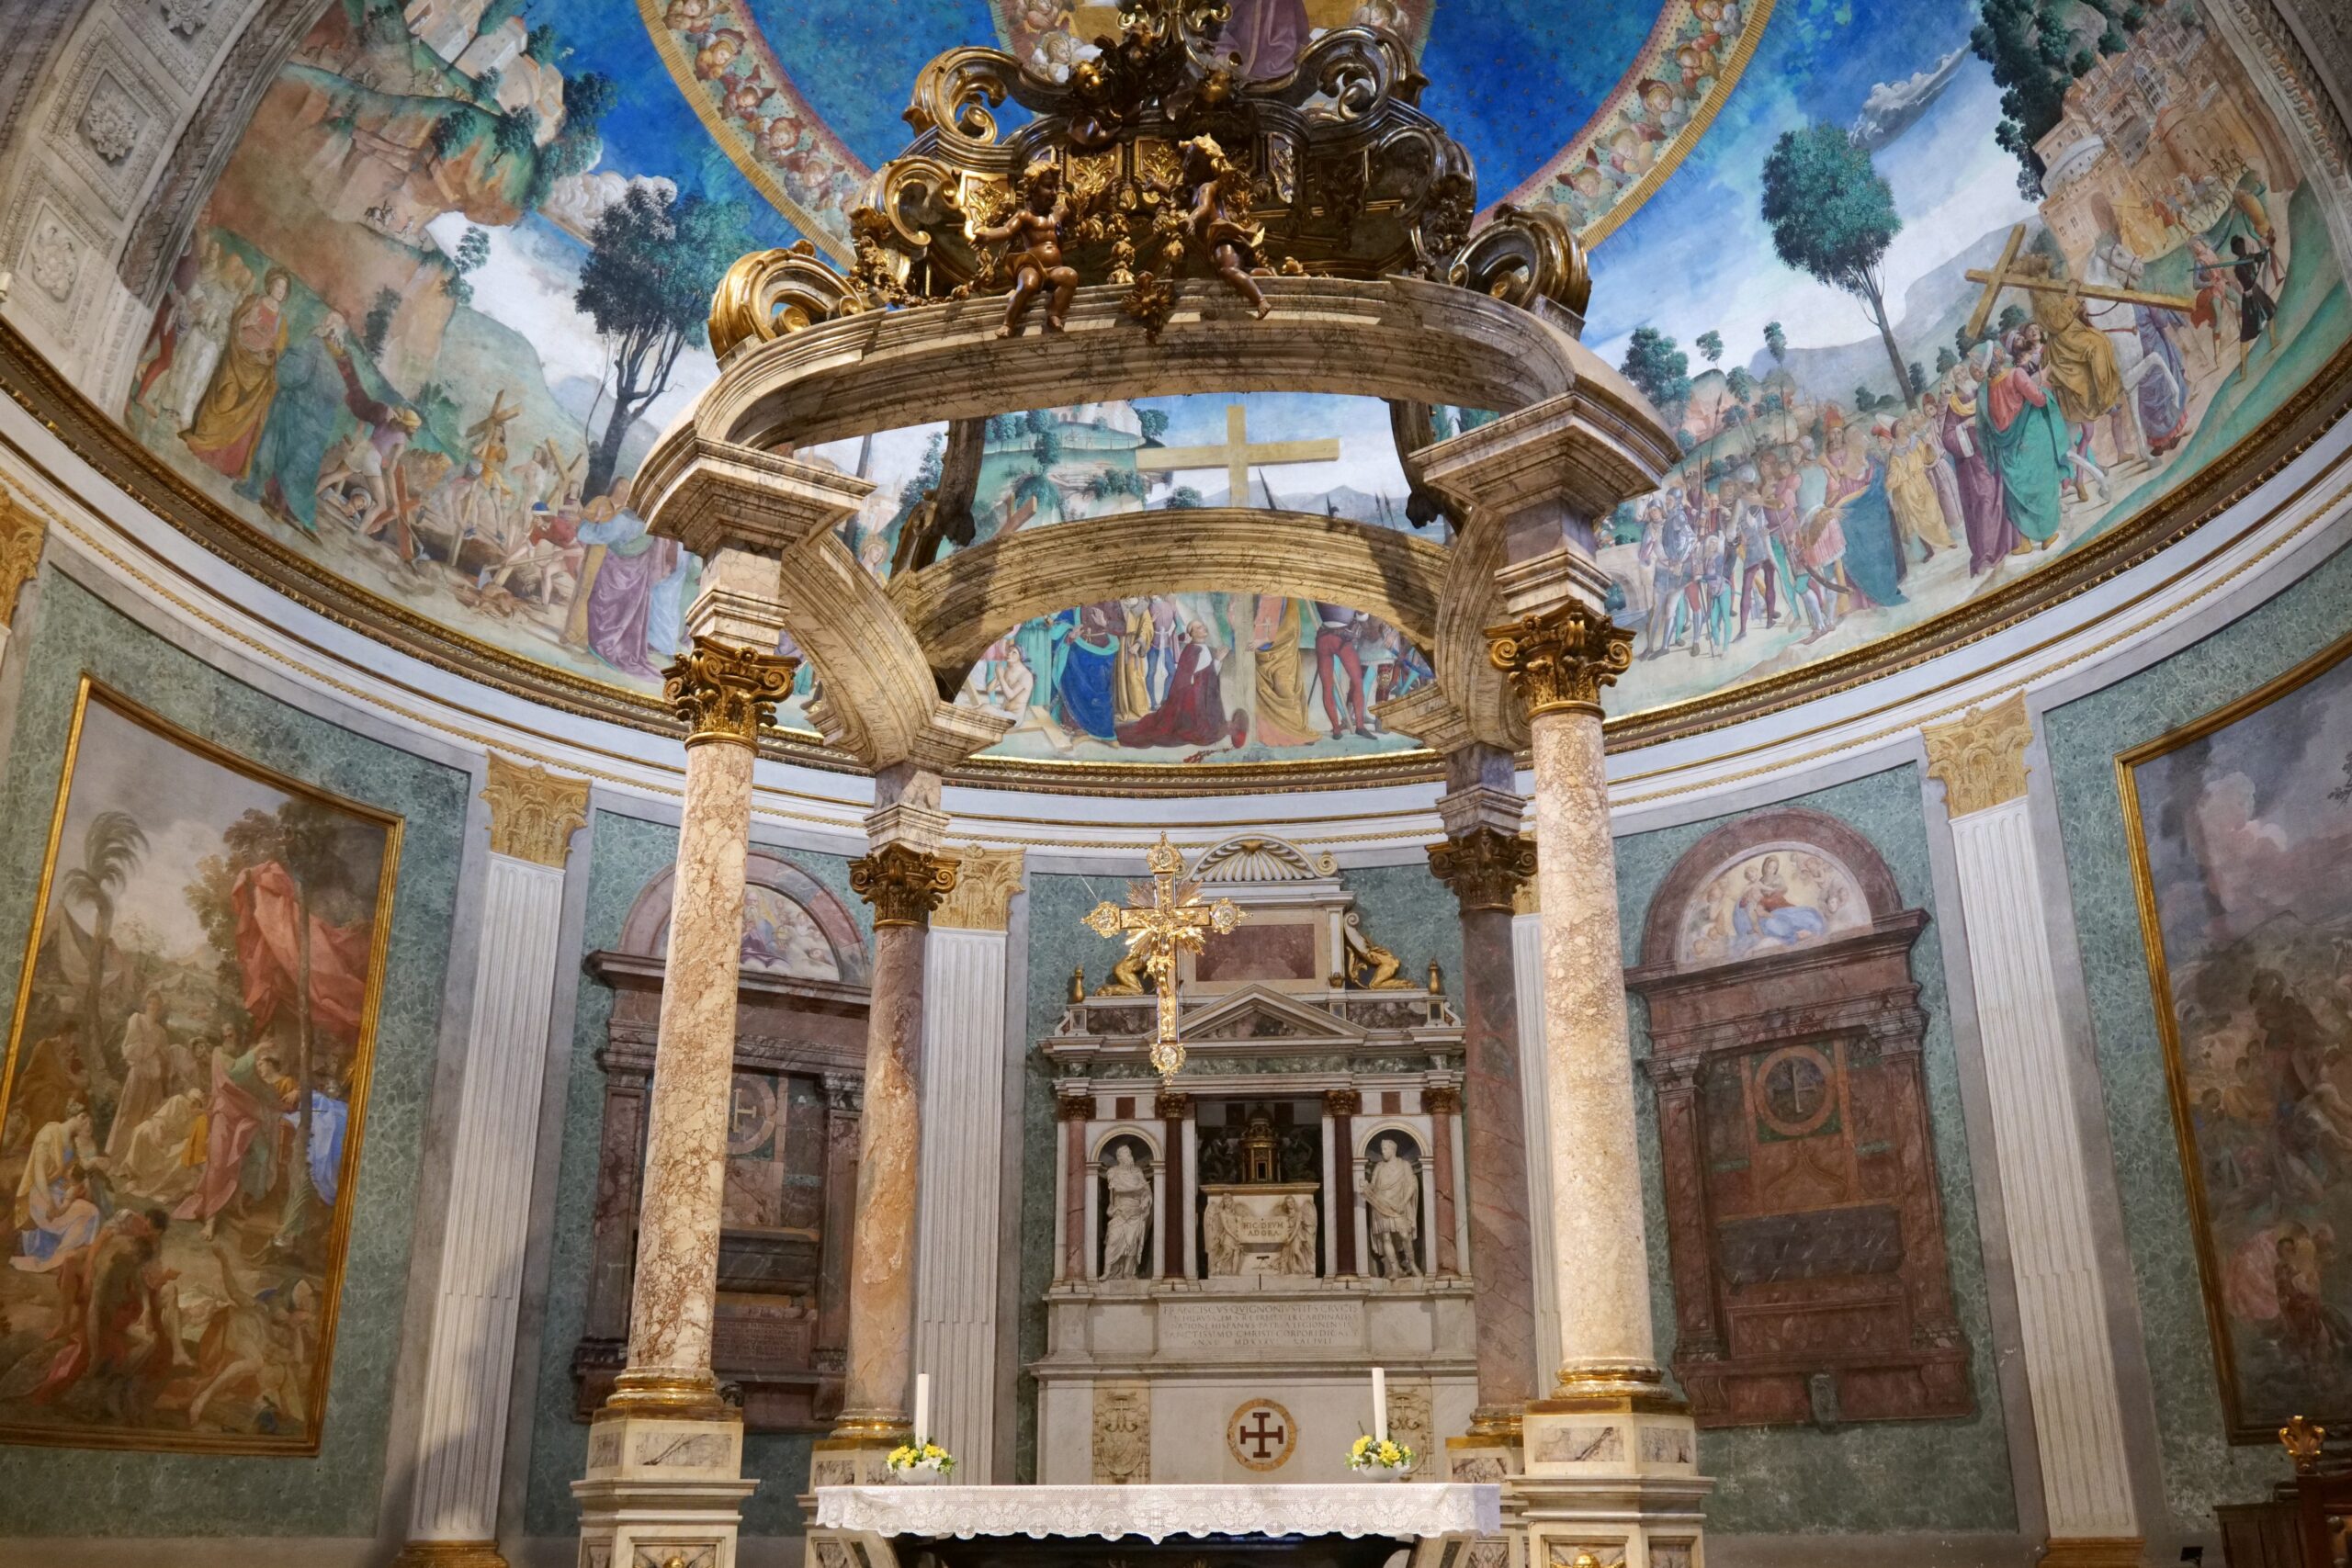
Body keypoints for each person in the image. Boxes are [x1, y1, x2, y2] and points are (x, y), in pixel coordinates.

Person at [181, 268, 293, 480]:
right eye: (278, 286)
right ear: (270, 285)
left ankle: (229, 463)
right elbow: (236, 323)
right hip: (236, 359)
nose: (279, 291)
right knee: (225, 398)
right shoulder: (254, 301)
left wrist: (269, 357)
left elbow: (280, 350)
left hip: (259, 372)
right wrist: (246, 324)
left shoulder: (282, 320)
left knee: (247, 418)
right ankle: (205, 443)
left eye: (283, 288)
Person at [970, 159, 1079, 338]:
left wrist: (1103, 195)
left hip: (1054, 269)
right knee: (1028, 284)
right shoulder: (1025, 215)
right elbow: (1007, 230)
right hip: (1031, 265)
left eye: (1055, 188)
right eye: (1047, 187)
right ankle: (1008, 323)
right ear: (1032, 189)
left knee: (1070, 276)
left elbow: (1083, 212)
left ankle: (1054, 314)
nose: (1053, 193)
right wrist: (988, 235)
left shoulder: (1059, 213)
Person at [1979, 338, 2071, 549]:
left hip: (2007, 448)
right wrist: (2044, 386)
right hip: (2029, 437)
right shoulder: (2016, 374)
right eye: (1998, 350)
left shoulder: (1986, 389)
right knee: (2040, 483)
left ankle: (2024, 542)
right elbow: (2038, 399)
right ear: (1998, 357)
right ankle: (2047, 536)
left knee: (2016, 493)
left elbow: (1990, 423)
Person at [1941, 356, 2018, 572]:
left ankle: (2008, 543)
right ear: (1954, 381)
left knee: (2002, 495)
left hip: (1993, 451)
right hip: (1973, 464)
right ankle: (1985, 554)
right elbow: (1947, 437)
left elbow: (1998, 411)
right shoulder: (1954, 406)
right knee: (1984, 500)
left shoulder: (1981, 392)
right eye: (1957, 375)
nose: (1962, 375)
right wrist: (1964, 427)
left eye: (1963, 372)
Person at [12, 1105, 107, 1273]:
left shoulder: (71, 1140)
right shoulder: (48, 1134)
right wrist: (49, 1201)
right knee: (88, 1214)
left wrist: (75, 1184)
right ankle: (58, 1261)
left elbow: (69, 1171)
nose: (88, 1127)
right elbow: (38, 1173)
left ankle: (61, 1259)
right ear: (81, 1117)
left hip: (60, 1193)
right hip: (42, 1195)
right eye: (87, 1122)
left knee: (92, 1212)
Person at [1117, 620, 1228, 748]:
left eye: (1203, 625)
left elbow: (1206, 676)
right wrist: (1217, 660)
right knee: (1201, 732)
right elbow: (1197, 678)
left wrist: (1216, 662)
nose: (1203, 628)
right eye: (1198, 627)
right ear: (1191, 634)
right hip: (1192, 700)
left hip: (1200, 694)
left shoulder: (1203, 648)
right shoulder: (1192, 650)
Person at [105, 992, 172, 1166]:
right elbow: (129, 1048)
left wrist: (160, 1056)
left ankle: (136, 1162)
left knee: (147, 1119)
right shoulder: (137, 1020)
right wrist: (152, 1049)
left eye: (157, 1005)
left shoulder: (161, 1032)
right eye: (151, 1003)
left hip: (154, 1081)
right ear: (146, 1004)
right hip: (138, 1074)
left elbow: (165, 1057)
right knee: (129, 1115)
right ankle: (117, 1158)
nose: (154, 1008)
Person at [1250, 596, 1317, 746]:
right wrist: (1261, 641)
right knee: (1269, 690)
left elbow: (1289, 627)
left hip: (1285, 650)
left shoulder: (1286, 599)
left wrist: (1263, 640)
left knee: (1286, 689)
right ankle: (1276, 732)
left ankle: (1295, 730)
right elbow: (1262, 621)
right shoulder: (1263, 596)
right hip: (1265, 652)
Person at [1311, 602, 1372, 737]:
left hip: (1323, 637)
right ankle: (1360, 727)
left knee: (1327, 687)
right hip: (1341, 638)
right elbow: (1363, 617)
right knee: (1357, 682)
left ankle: (1336, 729)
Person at [1363, 1138, 1420, 1278]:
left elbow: (1411, 1185)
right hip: (1381, 1205)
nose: (1382, 1152)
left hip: (1398, 1206)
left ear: (1392, 1150)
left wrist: (1403, 1203)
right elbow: (1374, 1186)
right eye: (1382, 1149)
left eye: (1385, 1149)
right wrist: (1366, 1186)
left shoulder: (1404, 1165)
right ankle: (1395, 1268)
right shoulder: (1379, 1167)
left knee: (1405, 1235)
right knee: (1386, 1237)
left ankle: (1412, 1265)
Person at [1100, 1146, 1152, 1278]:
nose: (1129, 1156)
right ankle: (1107, 1272)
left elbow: (1146, 1191)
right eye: (1125, 1154)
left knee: (1132, 1245)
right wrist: (1136, 1188)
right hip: (1120, 1212)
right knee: (1113, 1242)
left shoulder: (1138, 1171)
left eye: (1129, 1153)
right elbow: (1116, 1188)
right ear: (1119, 1157)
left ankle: (1128, 1273)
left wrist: (1146, 1199)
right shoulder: (1113, 1171)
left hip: (1135, 1213)